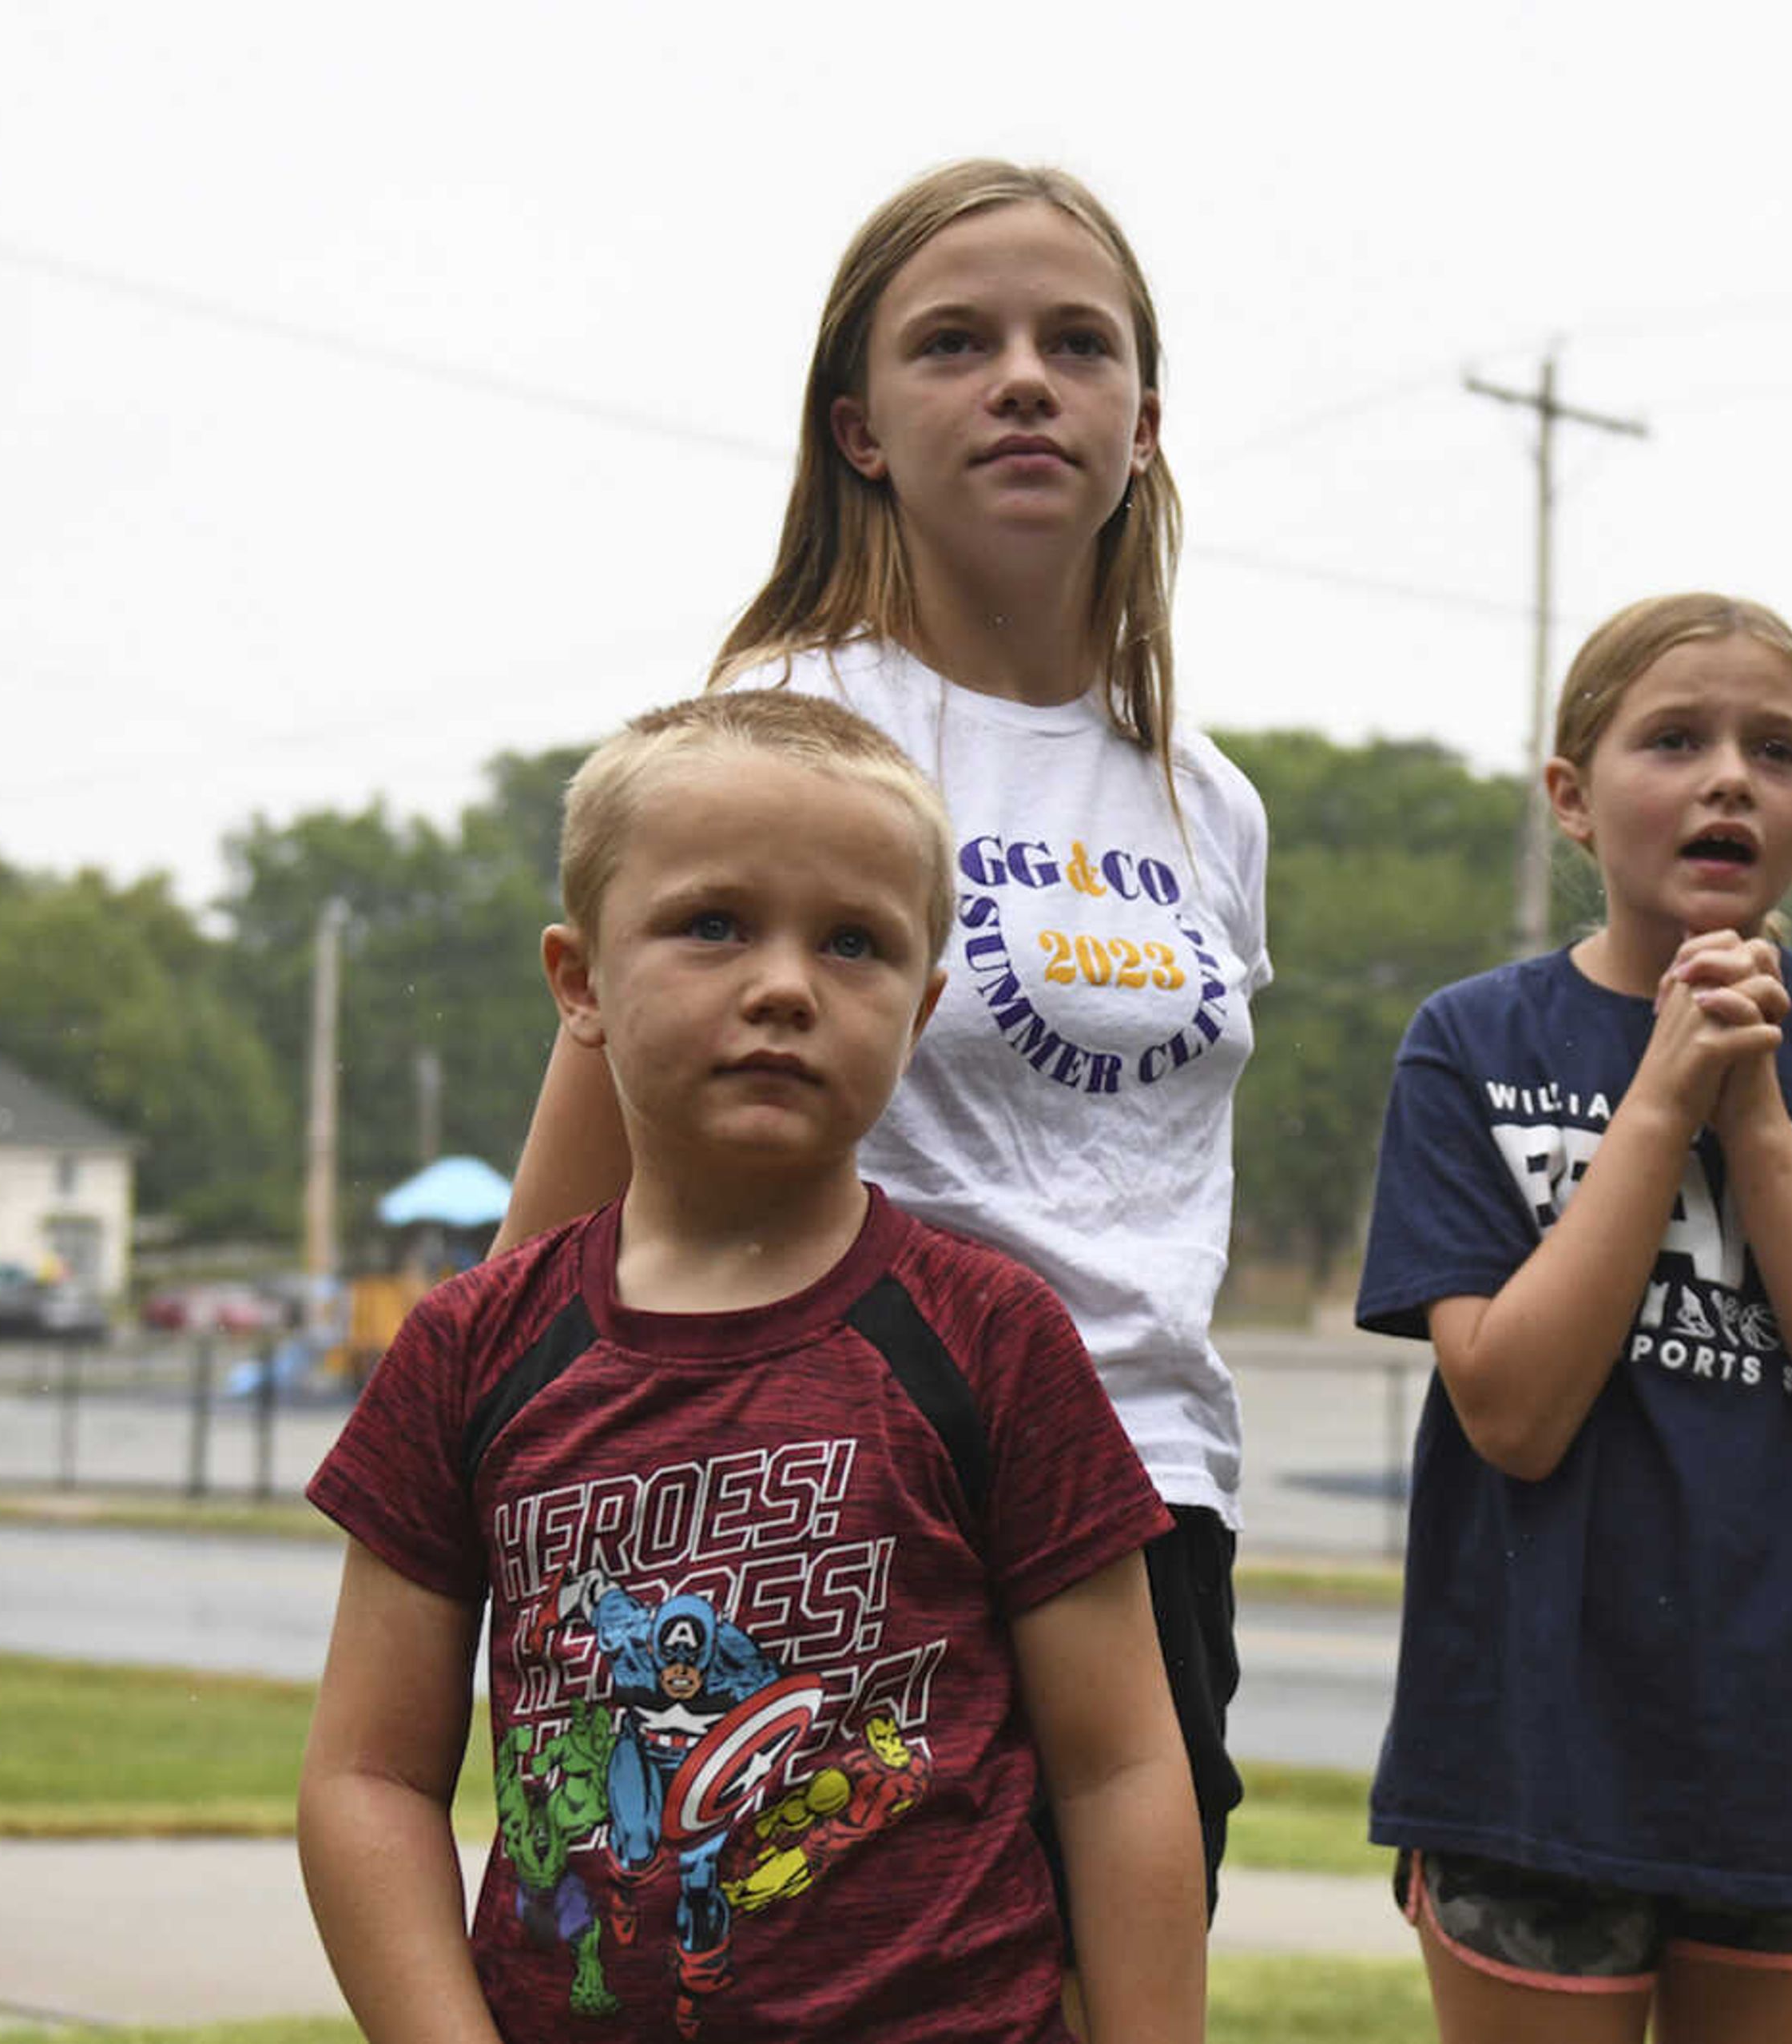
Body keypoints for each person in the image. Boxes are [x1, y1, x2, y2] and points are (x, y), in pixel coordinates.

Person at [494, 159, 1269, 1924]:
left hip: (1149, 1496)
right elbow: (567, 1207)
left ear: (1142, 424)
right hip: (836, 1481)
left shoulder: (1207, 804)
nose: (1022, 378)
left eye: (1079, 344)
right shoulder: (791, 733)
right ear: (859, 426)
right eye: (954, 343)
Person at [300, 691, 1205, 2044]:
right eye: (713, 923)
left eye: (855, 943)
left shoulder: (994, 1338)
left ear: (923, 1007)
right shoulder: (470, 1349)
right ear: (580, 981)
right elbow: (367, 1774)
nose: (785, 983)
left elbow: (1123, 1766)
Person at [1353, 593, 1792, 2044]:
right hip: (1527, 1755)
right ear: (1573, 800)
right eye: (1674, 738)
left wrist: (1758, 1114)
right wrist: (1662, 1098)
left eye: (1775, 750)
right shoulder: (1473, 1042)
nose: (1731, 774)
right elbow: (1515, 1415)